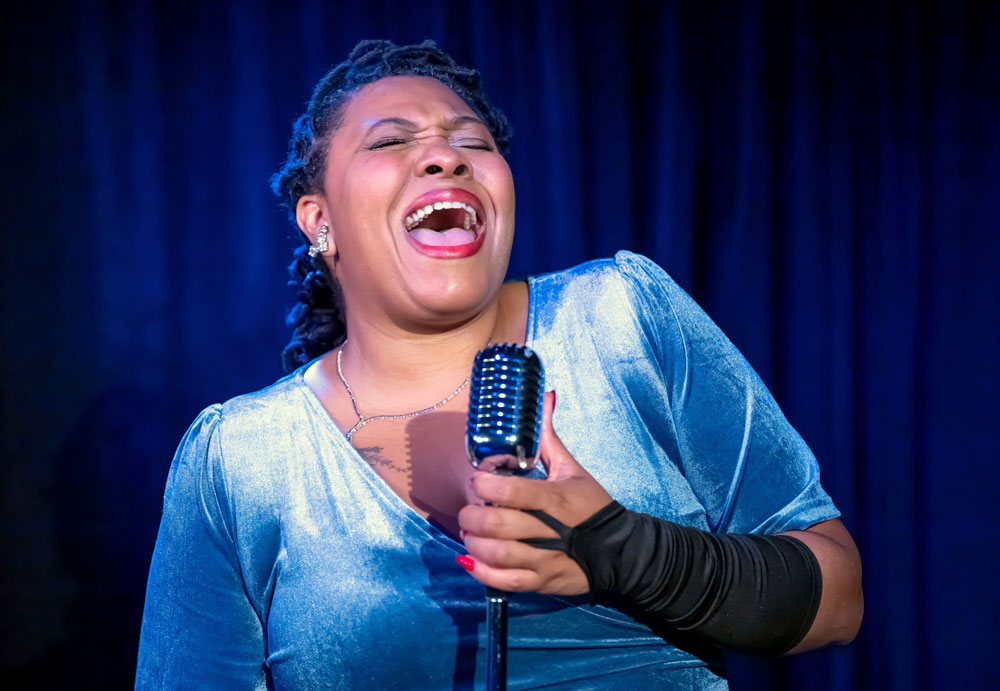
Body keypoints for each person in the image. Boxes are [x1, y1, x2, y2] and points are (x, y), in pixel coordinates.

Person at [136, 39, 862, 689]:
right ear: (319, 221)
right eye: (391, 141)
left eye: (471, 142)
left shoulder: (622, 319)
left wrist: (627, 551)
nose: (446, 155)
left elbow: (838, 598)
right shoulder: (241, 457)